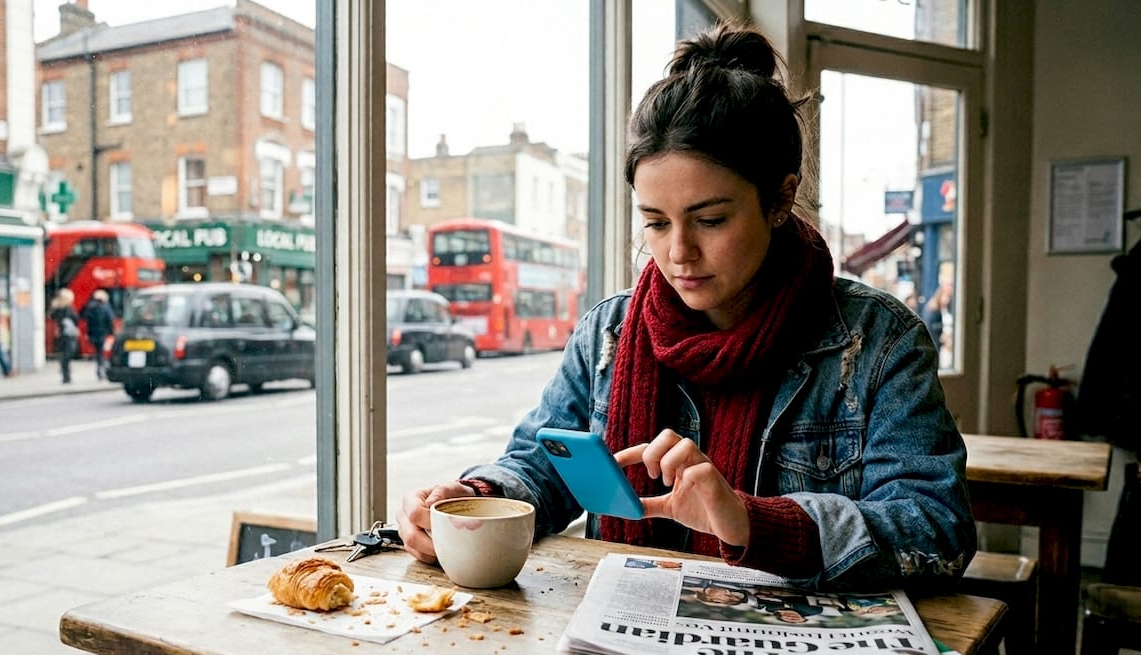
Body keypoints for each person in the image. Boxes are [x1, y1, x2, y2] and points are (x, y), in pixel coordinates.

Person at [396, 20, 975, 592]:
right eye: (655, 222)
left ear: (780, 199)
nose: (678, 253)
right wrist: (474, 500)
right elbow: (543, 465)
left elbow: (936, 530)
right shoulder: (609, 331)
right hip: (616, 648)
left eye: (711, 220)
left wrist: (752, 521)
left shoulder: (877, 341)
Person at [80, 289, 115, 380]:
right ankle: (102, 370)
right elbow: (110, 319)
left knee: (98, 352)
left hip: (93, 333)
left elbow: (86, 319)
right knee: (102, 353)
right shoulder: (105, 307)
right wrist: (111, 332)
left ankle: (100, 369)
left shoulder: (90, 306)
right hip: (103, 333)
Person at [50, 287, 80, 384]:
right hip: (68, 334)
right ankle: (66, 375)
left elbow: (52, 317)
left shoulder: (56, 308)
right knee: (68, 353)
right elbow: (75, 319)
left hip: (61, 334)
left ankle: (65, 374)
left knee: (63, 354)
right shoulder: (67, 308)